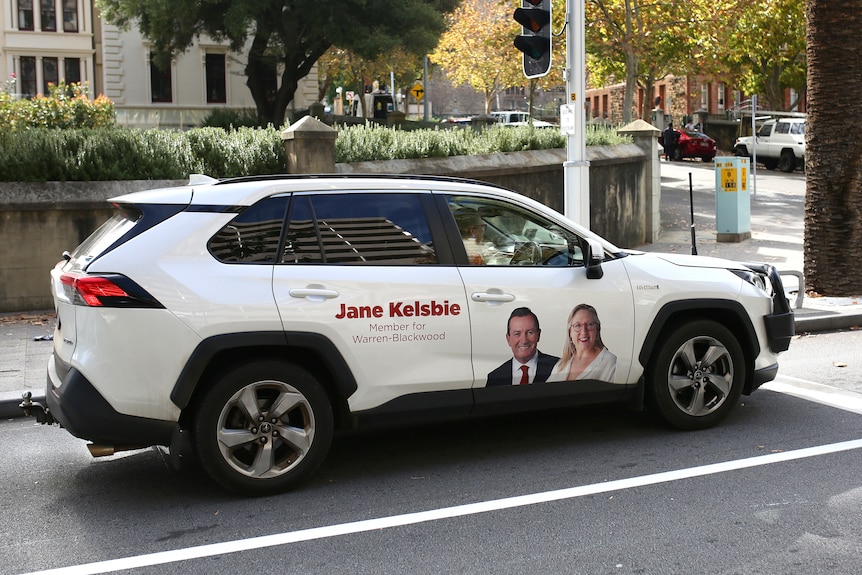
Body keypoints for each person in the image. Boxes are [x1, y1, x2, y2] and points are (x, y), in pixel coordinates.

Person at [486, 307, 560, 386]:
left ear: (538, 335)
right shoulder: (495, 377)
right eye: (517, 334)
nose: (524, 340)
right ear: (508, 339)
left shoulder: (559, 367)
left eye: (530, 332)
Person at [547, 303, 617, 382]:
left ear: (597, 330)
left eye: (590, 325)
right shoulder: (561, 365)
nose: (584, 332)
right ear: (570, 332)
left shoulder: (611, 363)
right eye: (577, 325)